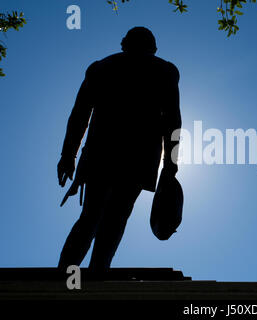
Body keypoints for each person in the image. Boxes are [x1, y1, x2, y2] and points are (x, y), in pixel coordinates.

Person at [56, 27, 181, 272]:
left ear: (124, 44)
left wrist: (68, 155)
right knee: (114, 217)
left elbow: (79, 116)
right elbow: (173, 122)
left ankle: (68, 276)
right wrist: (171, 163)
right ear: (153, 48)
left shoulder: (101, 68)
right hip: (137, 157)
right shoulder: (164, 70)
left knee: (93, 216)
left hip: (104, 155)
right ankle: (95, 273)